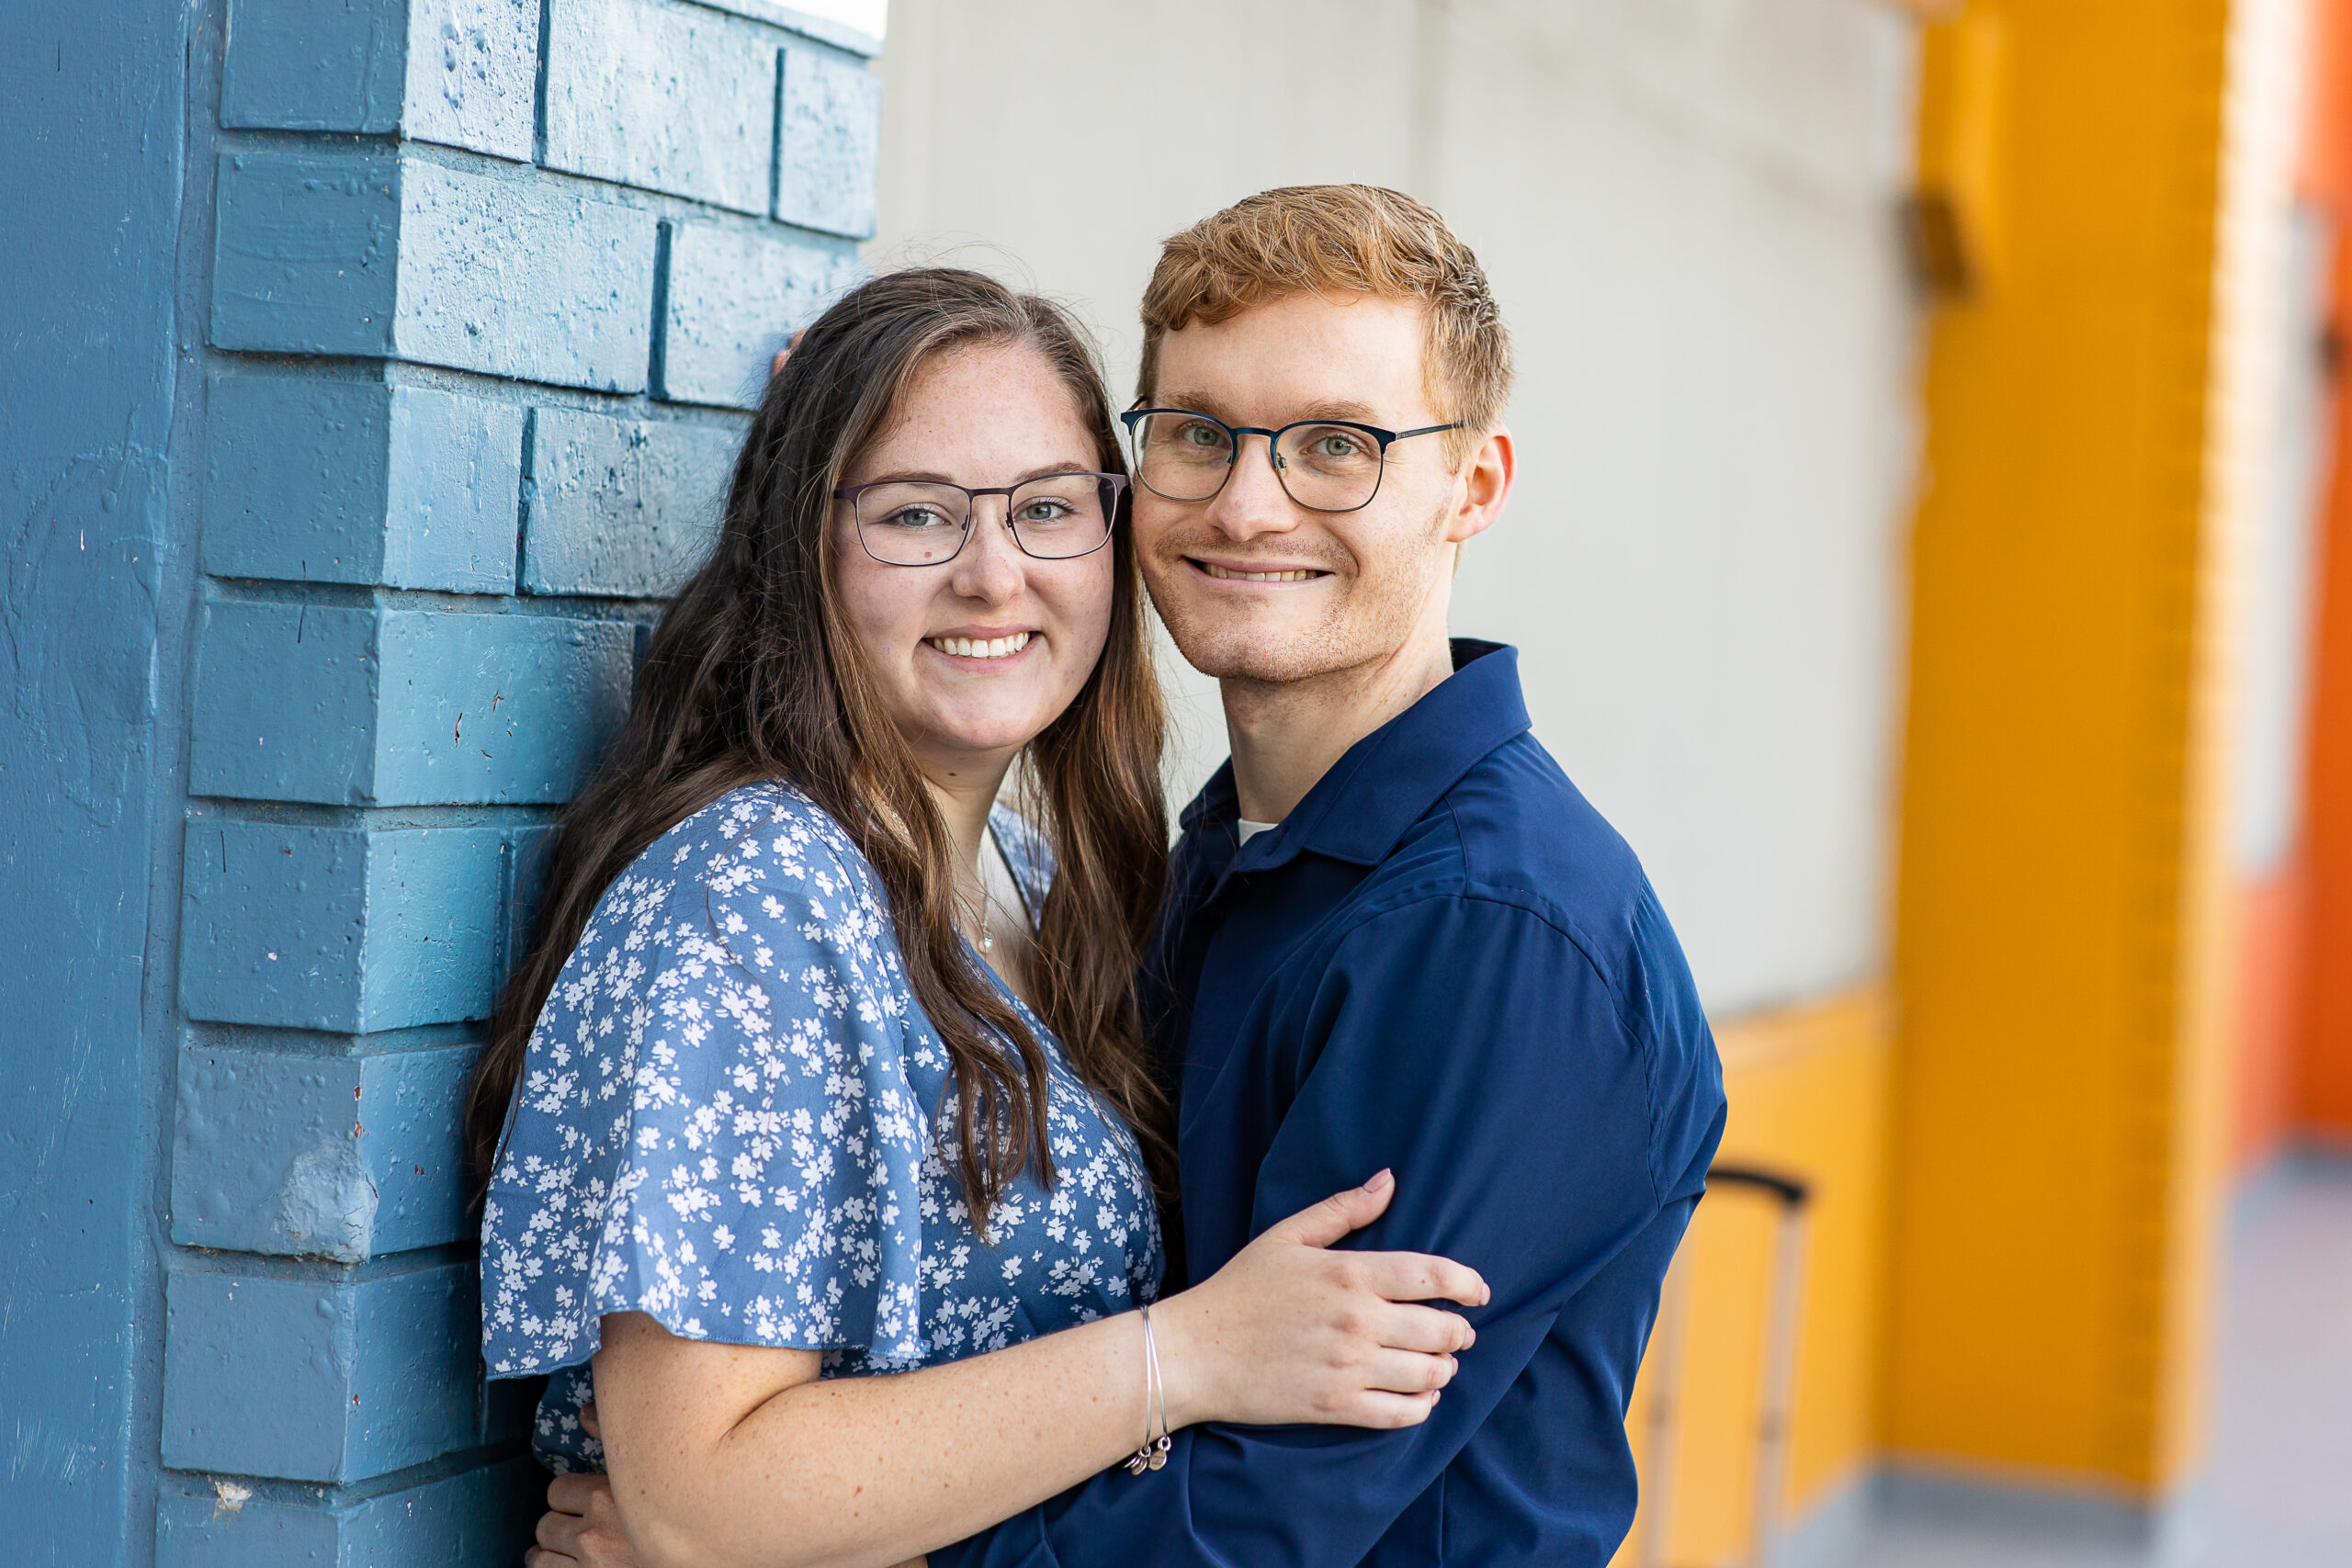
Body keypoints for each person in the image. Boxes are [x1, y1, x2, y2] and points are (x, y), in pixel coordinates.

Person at [529, 185, 1728, 1567]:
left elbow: (1271, 1513)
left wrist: (802, 1551)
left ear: (1472, 487)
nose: (1251, 502)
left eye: (1338, 446)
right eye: (1201, 436)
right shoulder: (1183, 869)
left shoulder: (1490, 933)